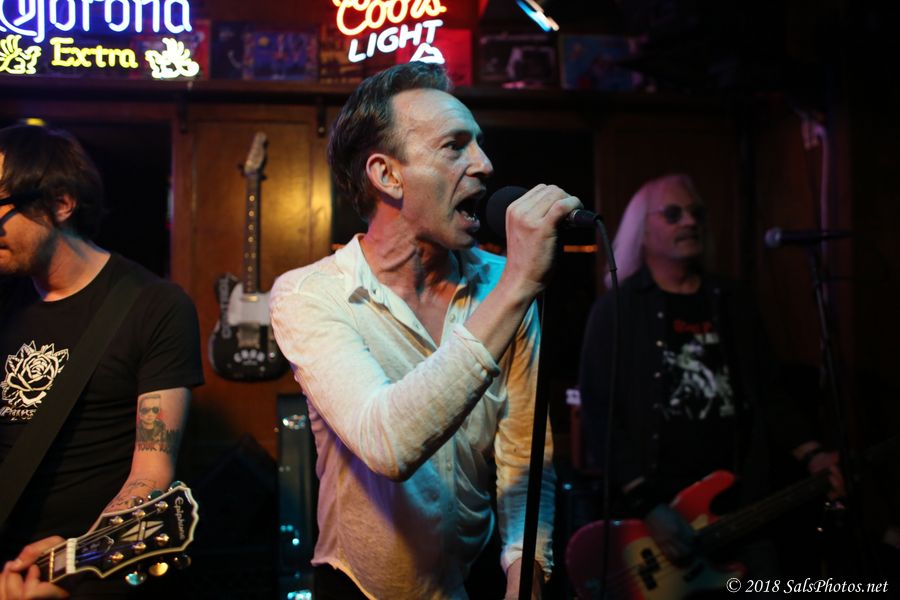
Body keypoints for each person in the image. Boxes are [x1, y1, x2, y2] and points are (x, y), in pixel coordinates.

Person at [269, 62, 581, 600]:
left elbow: (525, 453)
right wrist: (519, 285)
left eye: (478, 143)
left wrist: (525, 566)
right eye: (455, 146)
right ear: (387, 176)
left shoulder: (500, 286)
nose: (484, 164)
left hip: (479, 576)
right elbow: (388, 444)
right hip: (361, 588)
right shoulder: (309, 296)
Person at [578, 174, 843, 576]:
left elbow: (770, 393)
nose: (689, 221)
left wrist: (812, 453)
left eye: (696, 213)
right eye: (673, 214)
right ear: (642, 231)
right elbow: (600, 415)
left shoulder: (732, 300)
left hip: (744, 511)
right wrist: (647, 504)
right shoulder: (617, 310)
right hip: (658, 518)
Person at [0, 123, 204, 598]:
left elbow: (150, 474)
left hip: (81, 573)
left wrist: (75, 567)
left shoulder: (154, 306)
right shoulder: (6, 296)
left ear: (60, 204)